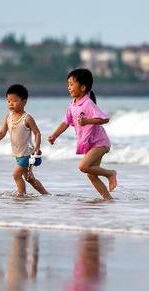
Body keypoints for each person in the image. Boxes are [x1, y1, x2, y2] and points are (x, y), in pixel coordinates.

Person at [48, 69, 117, 200]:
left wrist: (87, 121)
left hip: (100, 143)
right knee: (91, 174)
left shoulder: (88, 103)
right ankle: (108, 200)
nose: (68, 87)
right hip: (90, 144)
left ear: (83, 87)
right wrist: (55, 135)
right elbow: (65, 122)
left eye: (71, 84)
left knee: (83, 166)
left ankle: (110, 174)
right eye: (68, 84)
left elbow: (105, 119)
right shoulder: (72, 105)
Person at [0, 84, 49, 196]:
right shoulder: (8, 117)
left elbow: (37, 133)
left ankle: (22, 195)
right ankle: (46, 194)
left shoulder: (27, 118)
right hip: (18, 154)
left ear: (24, 102)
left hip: (27, 153)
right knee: (29, 178)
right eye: (8, 100)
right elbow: (2, 132)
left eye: (14, 101)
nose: (10, 103)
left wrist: (37, 147)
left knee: (16, 175)